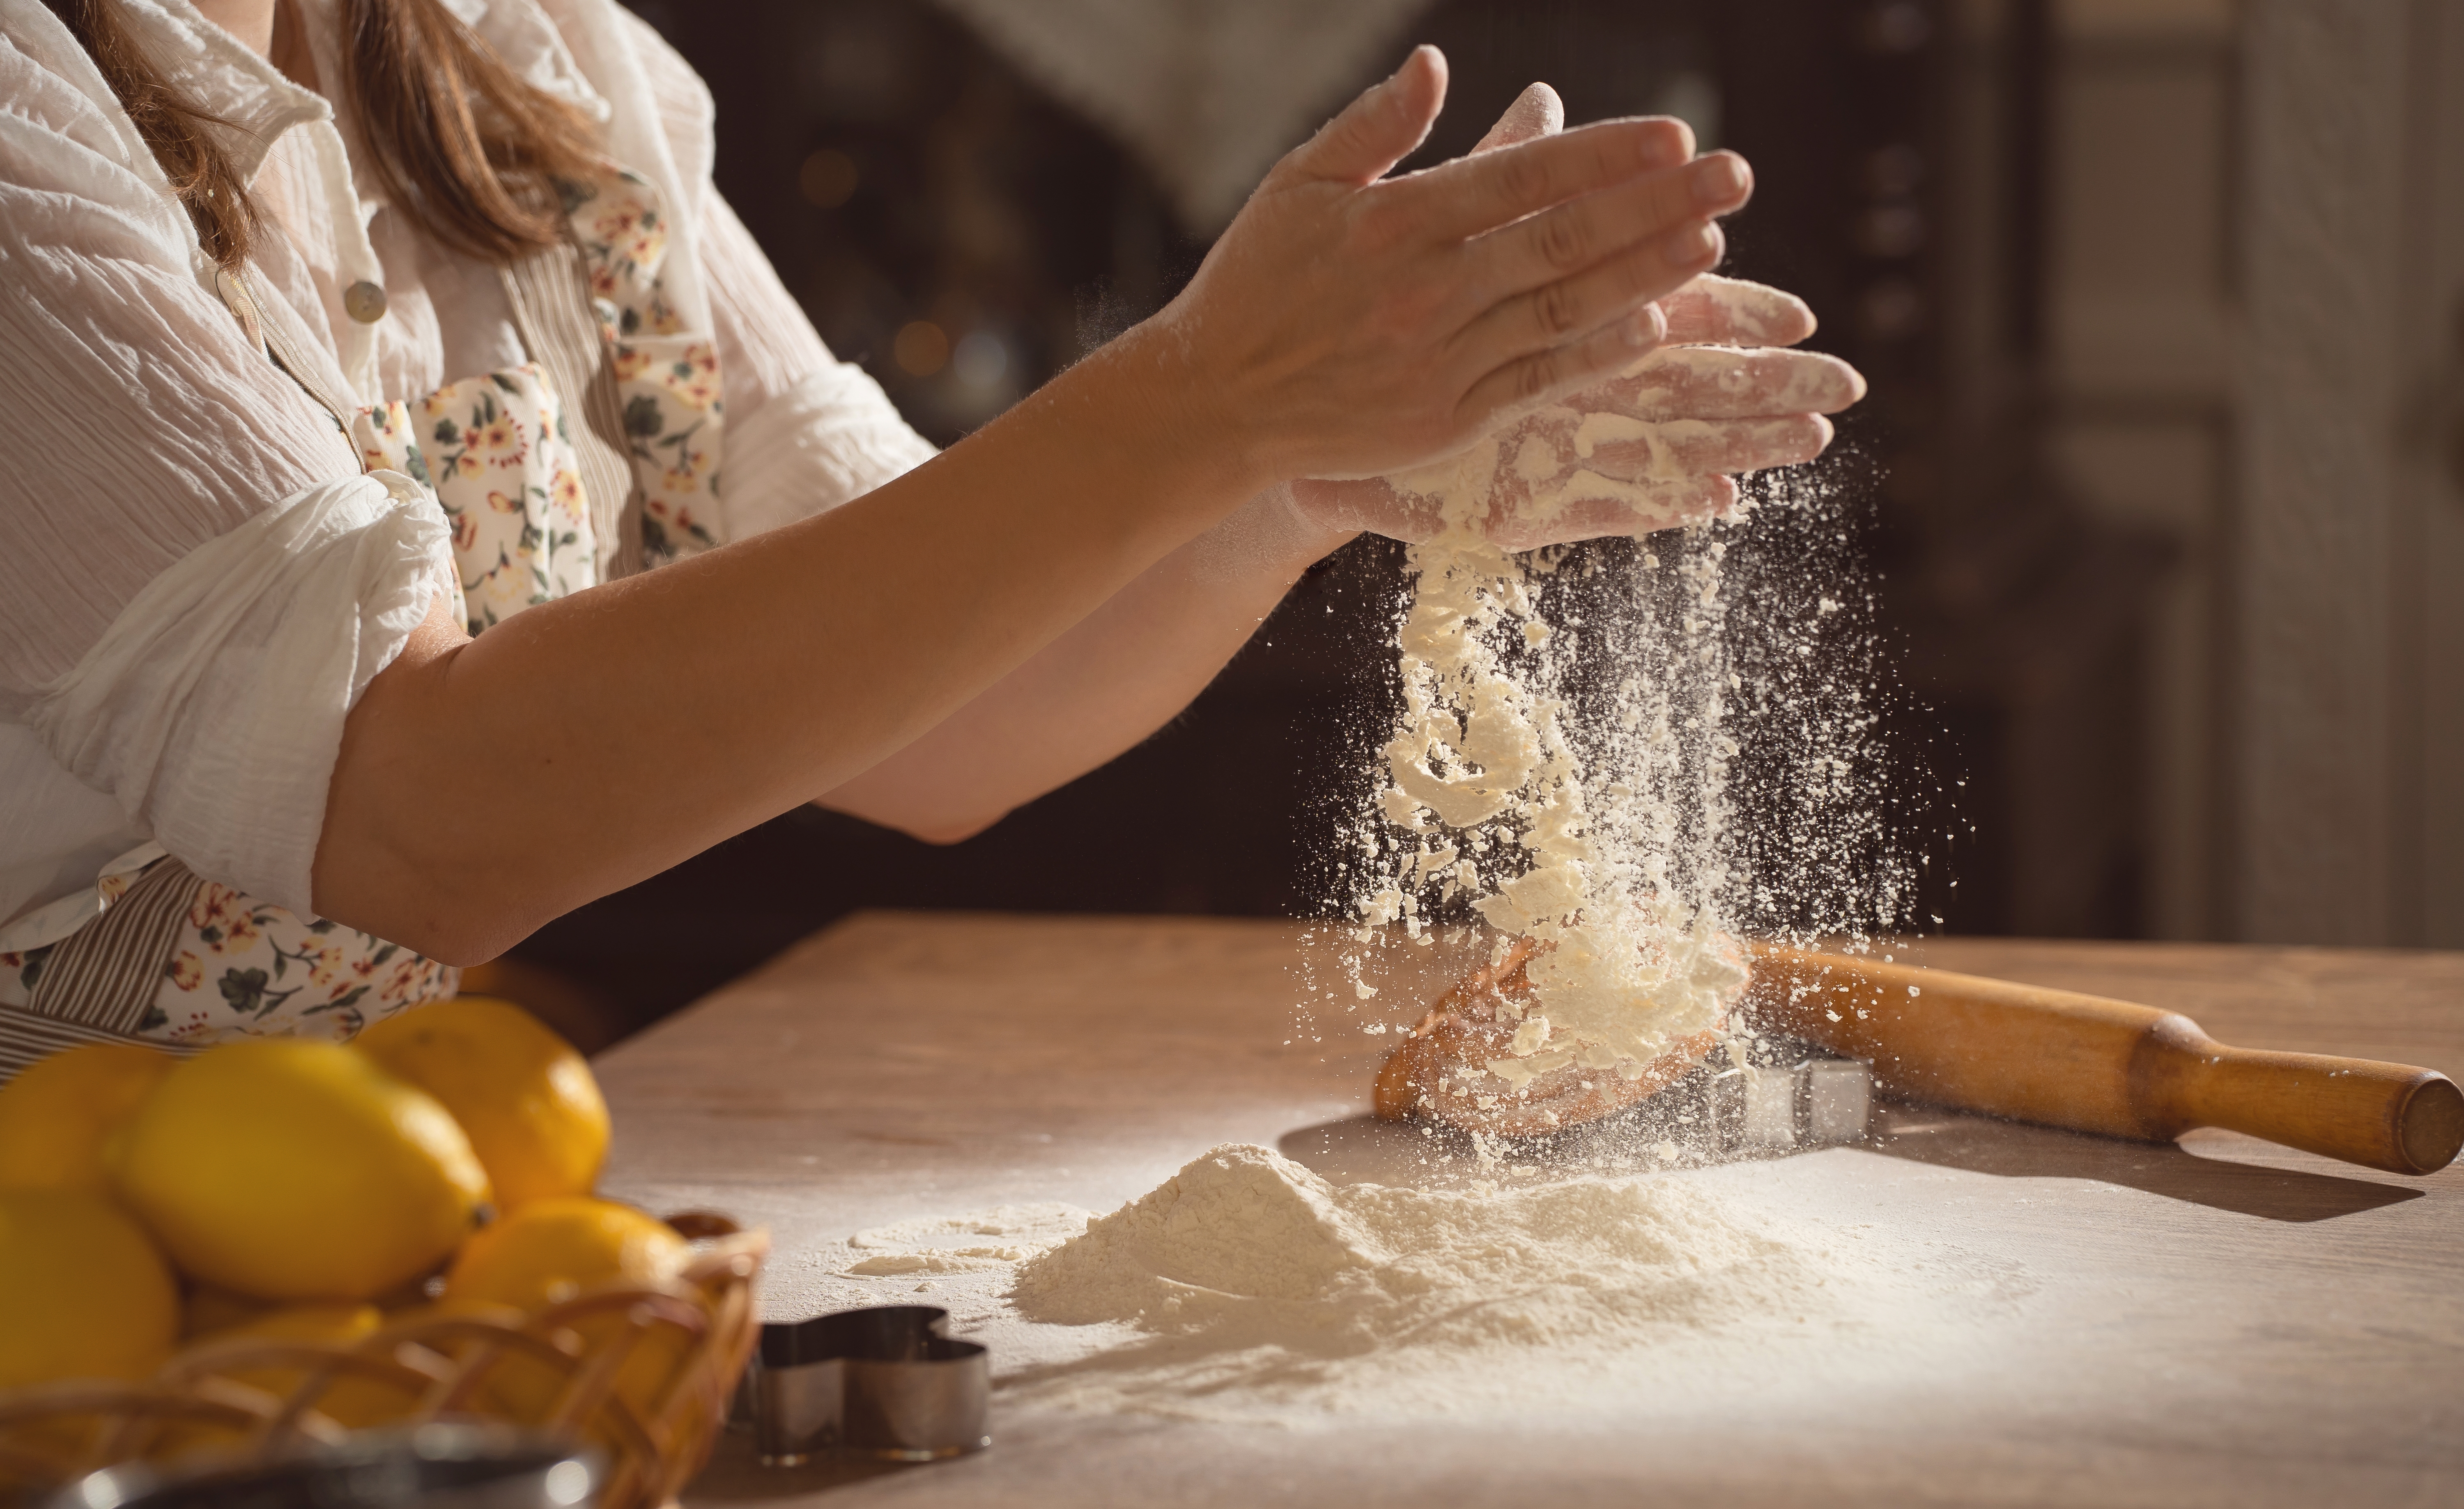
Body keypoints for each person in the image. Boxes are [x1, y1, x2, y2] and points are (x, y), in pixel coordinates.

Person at [0, 0, 1864, 1074]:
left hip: (344, 1207)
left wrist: (1307, 474)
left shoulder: (520, 58)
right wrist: (1206, 396)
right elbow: (414, 812)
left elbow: (940, 715)